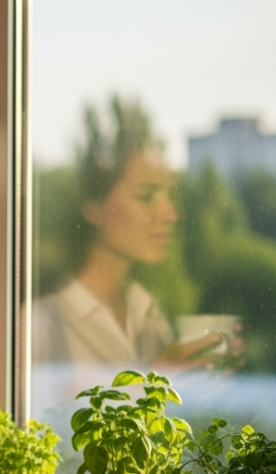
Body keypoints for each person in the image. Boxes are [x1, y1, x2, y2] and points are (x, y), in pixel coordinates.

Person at [34, 96, 225, 373]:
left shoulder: (148, 317)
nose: (169, 213)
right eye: (146, 196)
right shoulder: (41, 327)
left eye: (168, 195)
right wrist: (151, 384)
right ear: (94, 207)